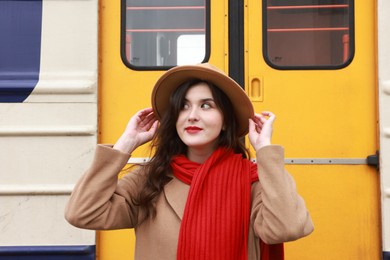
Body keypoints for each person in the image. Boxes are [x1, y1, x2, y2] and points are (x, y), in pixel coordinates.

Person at [65, 63, 314, 260]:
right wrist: (126, 143)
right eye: (183, 107)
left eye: (206, 106)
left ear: (226, 120)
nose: (192, 116)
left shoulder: (254, 181)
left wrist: (265, 152)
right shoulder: (152, 177)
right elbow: (83, 213)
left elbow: (287, 228)